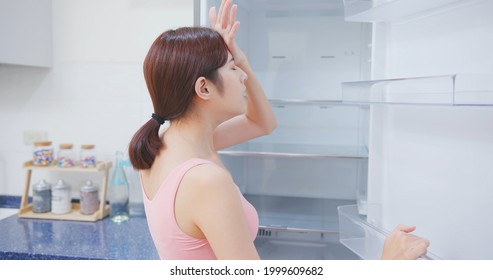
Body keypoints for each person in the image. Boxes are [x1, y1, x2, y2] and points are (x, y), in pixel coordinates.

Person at [128, 0, 430, 260]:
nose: (243, 77)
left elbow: (263, 123)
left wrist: (239, 57)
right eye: (233, 69)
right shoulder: (206, 180)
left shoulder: (165, 145)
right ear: (204, 87)